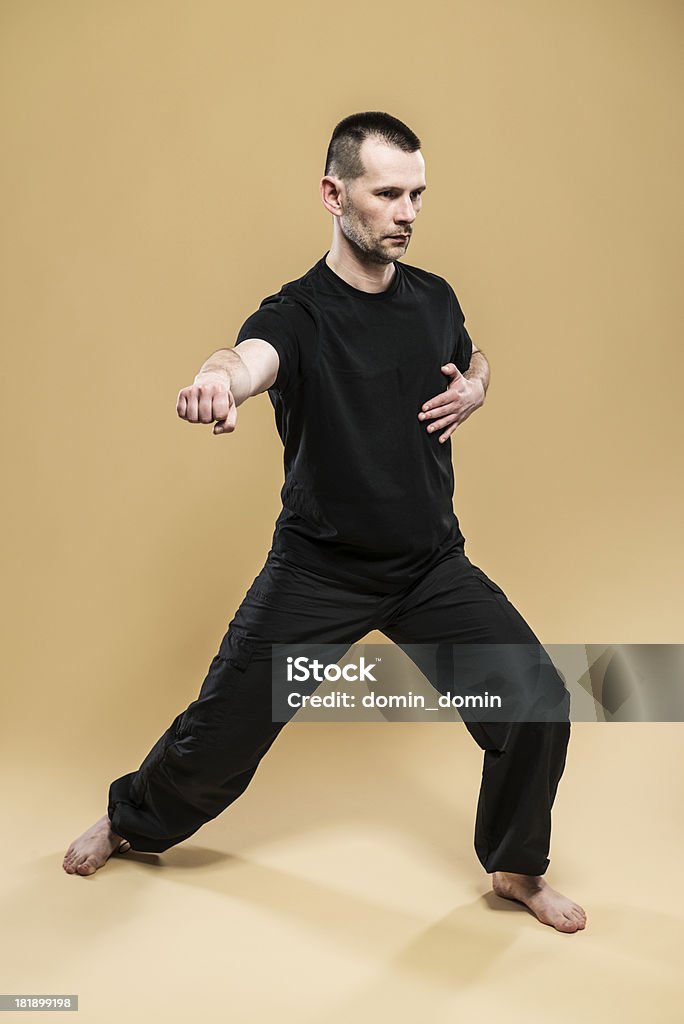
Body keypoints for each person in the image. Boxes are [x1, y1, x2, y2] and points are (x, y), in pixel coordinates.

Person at [63, 111, 586, 934]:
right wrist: (217, 382)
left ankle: (516, 869)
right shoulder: (299, 315)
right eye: (387, 193)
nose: (407, 211)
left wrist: (480, 383)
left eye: (417, 193)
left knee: (537, 702)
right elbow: (246, 358)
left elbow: (474, 352)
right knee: (217, 738)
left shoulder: (434, 298)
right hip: (320, 571)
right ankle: (132, 820)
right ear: (334, 194)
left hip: (427, 568)